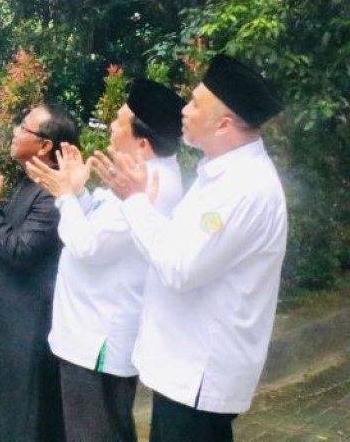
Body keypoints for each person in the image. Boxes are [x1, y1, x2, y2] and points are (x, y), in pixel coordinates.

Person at [95, 54, 286, 442]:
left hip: (199, 372)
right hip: (181, 367)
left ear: (224, 123)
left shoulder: (243, 188)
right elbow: (182, 246)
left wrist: (134, 202)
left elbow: (180, 268)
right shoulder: (218, 173)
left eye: (195, 103)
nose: (184, 109)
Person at [26, 78, 186, 442]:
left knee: (95, 434)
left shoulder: (150, 186)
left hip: (97, 339)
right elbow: (98, 225)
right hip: (86, 330)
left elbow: (87, 245)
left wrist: (65, 196)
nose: (110, 126)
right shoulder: (140, 175)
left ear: (142, 143)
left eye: (118, 121)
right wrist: (78, 192)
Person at [0, 105, 76, 442]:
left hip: (25, 325)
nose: (14, 131)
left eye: (23, 127)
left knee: (20, 418)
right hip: (5, 318)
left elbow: (20, 251)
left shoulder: (52, 195)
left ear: (44, 147)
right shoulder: (31, 184)